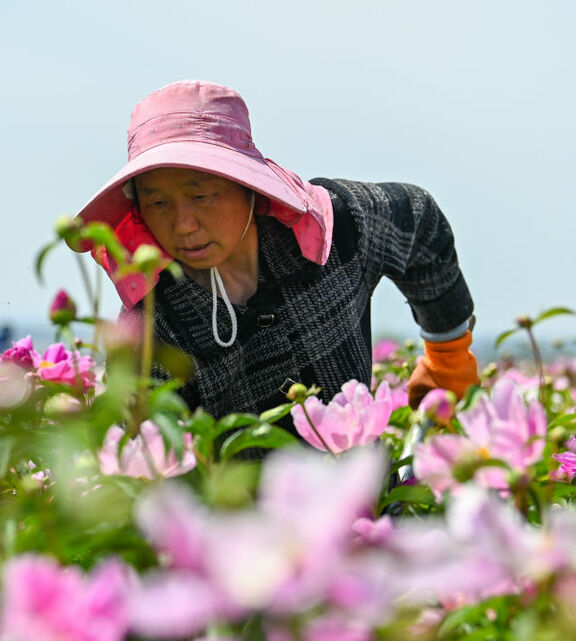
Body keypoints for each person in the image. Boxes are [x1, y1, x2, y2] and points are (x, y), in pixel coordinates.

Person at [74, 79, 478, 423]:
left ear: (249, 185)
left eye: (201, 195)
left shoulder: (335, 229)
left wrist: (448, 354)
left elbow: (419, 218)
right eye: (158, 203)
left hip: (364, 499)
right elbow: (147, 460)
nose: (183, 224)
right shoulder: (153, 324)